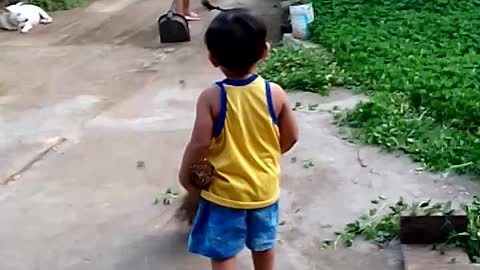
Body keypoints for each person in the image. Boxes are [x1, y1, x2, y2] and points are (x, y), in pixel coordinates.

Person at [178, 8, 298, 270]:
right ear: (265, 51)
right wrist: (268, 156)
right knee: (263, 245)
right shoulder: (274, 93)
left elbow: (199, 144)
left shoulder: (211, 98)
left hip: (224, 194)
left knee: (223, 251)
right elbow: (291, 136)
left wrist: (186, 174)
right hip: (264, 190)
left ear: (212, 59)